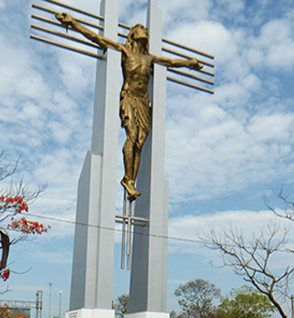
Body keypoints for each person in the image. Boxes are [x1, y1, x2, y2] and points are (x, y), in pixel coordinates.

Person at [55, 12, 202, 201]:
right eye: (141, 28)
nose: (145, 31)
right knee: (132, 135)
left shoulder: (150, 59)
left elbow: (171, 62)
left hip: (143, 102)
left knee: (140, 141)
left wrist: (190, 62)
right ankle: (128, 179)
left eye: (147, 29)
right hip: (129, 98)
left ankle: (130, 179)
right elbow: (97, 38)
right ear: (133, 34)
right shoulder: (124, 51)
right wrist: (73, 23)